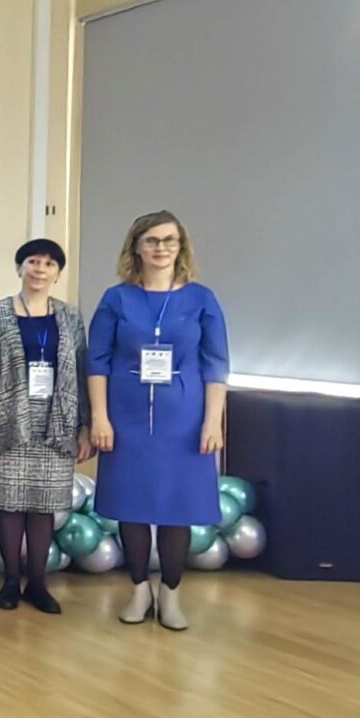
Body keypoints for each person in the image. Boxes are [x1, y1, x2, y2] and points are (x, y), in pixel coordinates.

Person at [88, 210, 230, 632]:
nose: (161, 248)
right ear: (136, 247)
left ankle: (170, 594)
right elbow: (97, 362)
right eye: (151, 240)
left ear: (180, 247)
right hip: (126, 419)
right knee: (130, 505)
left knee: (176, 509)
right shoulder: (116, 299)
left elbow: (216, 365)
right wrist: (99, 417)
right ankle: (138, 590)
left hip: (184, 422)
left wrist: (213, 421)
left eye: (169, 240)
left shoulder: (202, 299)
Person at [0, 238, 92, 615]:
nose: (40, 269)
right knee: (9, 503)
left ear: (57, 273)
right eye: (33, 261)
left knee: (43, 505)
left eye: (49, 264)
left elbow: (83, 372)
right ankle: (10, 581)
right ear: (19, 267)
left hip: (58, 422)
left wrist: (85, 425)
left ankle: (37, 583)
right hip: (7, 421)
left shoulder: (71, 317)